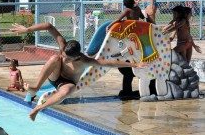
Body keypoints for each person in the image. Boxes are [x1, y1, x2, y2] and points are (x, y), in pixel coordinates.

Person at [10, 22, 148, 121]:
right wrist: (27, 29)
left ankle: (38, 109)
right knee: (54, 58)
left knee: (69, 89)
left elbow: (109, 63)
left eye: (68, 59)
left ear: (76, 57)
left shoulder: (85, 60)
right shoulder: (63, 46)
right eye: (64, 55)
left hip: (65, 83)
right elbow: (48, 26)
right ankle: (35, 87)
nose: (65, 59)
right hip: (55, 75)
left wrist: (135, 64)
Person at [106, 0, 146, 100]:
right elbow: (142, 17)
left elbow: (118, 19)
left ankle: (120, 55)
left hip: (130, 35)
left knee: (126, 51)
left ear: (124, 3)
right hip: (138, 33)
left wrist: (109, 26)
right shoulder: (137, 9)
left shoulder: (127, 10)